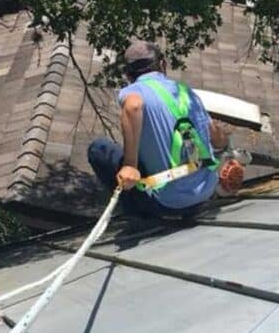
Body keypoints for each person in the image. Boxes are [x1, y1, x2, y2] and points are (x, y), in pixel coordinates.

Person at [88, 41, 243, 218]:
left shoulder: (134, 91)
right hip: (206, 192)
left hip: (167, 204)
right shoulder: (186, 93)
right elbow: (218, 140)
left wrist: (130, 165)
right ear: (163, 65)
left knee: (98, 149)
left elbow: (133, 106)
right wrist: (226, 144)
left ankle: (135, 214)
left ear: (128, 75)